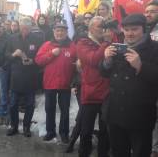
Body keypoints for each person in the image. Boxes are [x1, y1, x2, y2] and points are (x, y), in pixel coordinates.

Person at [100, 14, 158, 157]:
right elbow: (104, 73)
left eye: (134, 29)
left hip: (140, 114)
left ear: (143, 30)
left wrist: (141, 67)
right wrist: (106, 61)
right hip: (115, 113)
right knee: (118, 152)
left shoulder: (155, 49)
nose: (130, 33)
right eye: (126, 29)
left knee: (140, 152)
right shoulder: (117, 47)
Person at [35, 23, 77, 143]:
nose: (59, 33)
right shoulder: (47, 45)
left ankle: (64, 133)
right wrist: (51, 54)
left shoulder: (72, 46)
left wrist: (74, 82)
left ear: (66, 32)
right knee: (50, 109)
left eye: (62, 31)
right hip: (50, 83)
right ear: (54, 32)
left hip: (65, 84)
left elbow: (77, 65)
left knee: (65, 110)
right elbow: (38, 60)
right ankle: (50, 132)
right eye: (57, 31)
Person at [76, 16, 110, 157]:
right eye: (98, 26)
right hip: (90, 93)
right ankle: (84, 153)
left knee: (105, 130)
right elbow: (93, 59)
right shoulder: (82, 43)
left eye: (103, 26)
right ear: (90, 28)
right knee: (86, 130)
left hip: (107, 93)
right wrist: (106, 43)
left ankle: (103, 154)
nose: (102, 29)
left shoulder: (107, 42)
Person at [6, 17, 43, 137]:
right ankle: (14, 126)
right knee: (13, 104)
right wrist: (13, 54)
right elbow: (6, 55)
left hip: (30, 76)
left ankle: (26, 127)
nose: (24, 31)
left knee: (30, 104)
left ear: (31, 27)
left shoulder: (37, 39)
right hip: (16, 76)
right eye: (22, 28)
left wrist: (33, 61)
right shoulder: (12, 38)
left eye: (26, 28)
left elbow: (41, 57)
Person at [145, 0, 158, 157]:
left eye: (152, 11)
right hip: (145, 81)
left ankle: (155, 149)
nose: (148, 14)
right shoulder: (144, 30)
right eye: (146, 11)